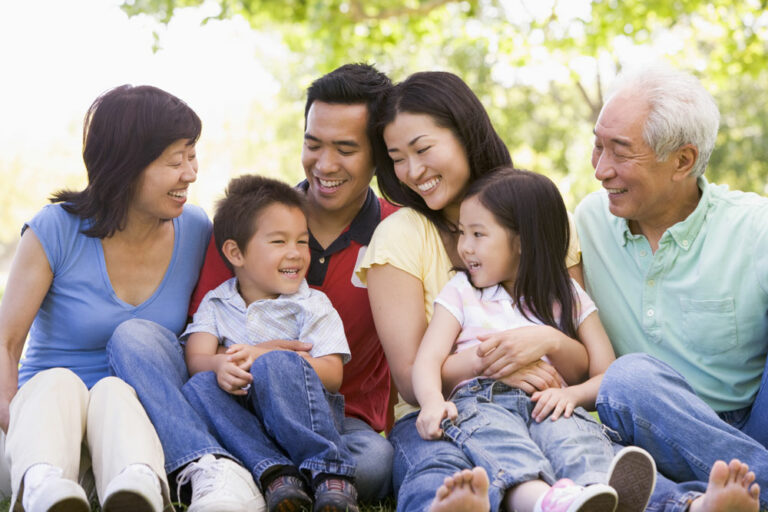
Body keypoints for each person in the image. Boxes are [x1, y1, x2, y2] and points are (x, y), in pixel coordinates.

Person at [356, 71, 583, 512]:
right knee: (438, 469)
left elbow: (578, 357)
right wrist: (498, 363)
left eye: (422, 149)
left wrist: (544, 348)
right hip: (439, 415)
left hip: (543, 407)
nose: (412, 171)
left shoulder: (546, 217)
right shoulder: (400, 235)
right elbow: (408, 379)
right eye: (397, 157)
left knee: (581, 456)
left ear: (466, 133)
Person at [187, 62, 396, 502]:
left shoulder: (399, 234)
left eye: (345, 148)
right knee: (176, 375)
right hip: (240, 405)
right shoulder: (248, 223)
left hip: (341, 424)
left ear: (379, 153)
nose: (325, 164)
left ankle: (269, 477)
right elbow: (207, 342)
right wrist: (268, 354)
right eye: (313, 144)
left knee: (375, 465)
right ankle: (275, 474)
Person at [0, 85, 210, 512]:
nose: (190, 173)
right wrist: (13, 422)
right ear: (126, 167)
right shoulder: (55, 230)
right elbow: (5, 344)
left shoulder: (197, 229)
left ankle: (136, 488)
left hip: (133, 433)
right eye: (176, 161)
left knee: (116, 392)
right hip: (46, 426)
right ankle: (45, 489)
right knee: (57, 382)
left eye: (192, 156)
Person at [575, 63, 766, 512]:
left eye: (620, 152)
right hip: (643, 424)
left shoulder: (753, 228)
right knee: (627, 381)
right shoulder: (587, 222)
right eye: (597, 146)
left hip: (746, 425)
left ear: (682, 161)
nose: (601, 170)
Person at [412, 167, 656, 512]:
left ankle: (597, 493)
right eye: (461, 233)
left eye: (478, 234)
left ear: (523, 241)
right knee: (506, 449)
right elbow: (428, 360)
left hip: (548, 402)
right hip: (483, 402)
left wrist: (570, 395)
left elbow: (607, 374)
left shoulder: (566, 294)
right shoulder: (462, 291)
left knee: (576, 439)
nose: (465, 247)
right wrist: (433, 402)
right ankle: (544, 502)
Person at [180, 175, 359, 512]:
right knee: (198, 387)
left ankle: (330, 473)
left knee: (276, 364)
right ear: (235, 252)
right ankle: (277, 474)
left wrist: (266, 356)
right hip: (246, 421)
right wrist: (219, 364)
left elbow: (333, 374)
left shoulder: (312, 304)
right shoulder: (217, 303)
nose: (295, 254)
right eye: (279, 242)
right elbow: (196, 358)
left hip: (307, 419)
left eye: (302, 242)